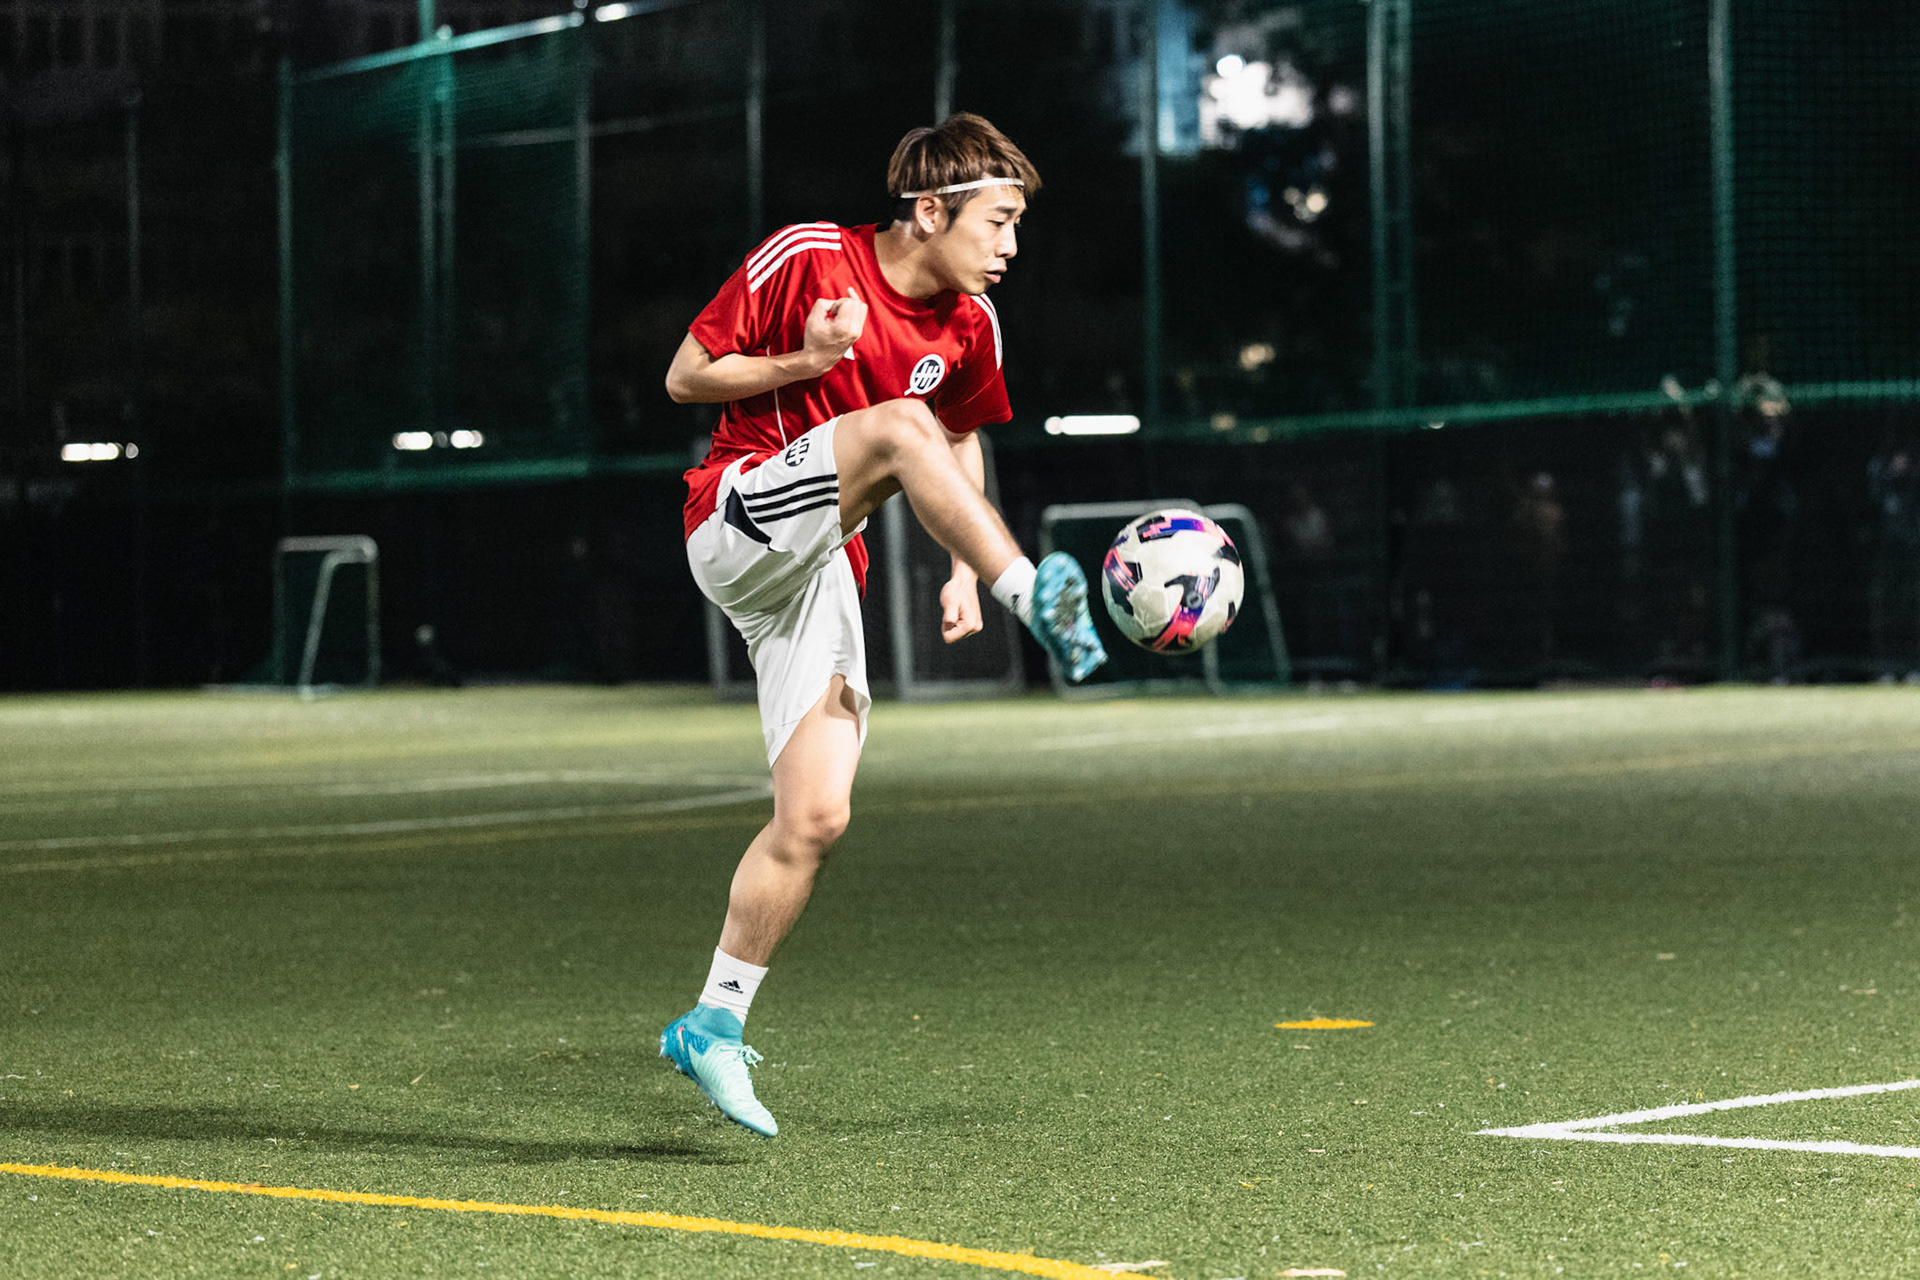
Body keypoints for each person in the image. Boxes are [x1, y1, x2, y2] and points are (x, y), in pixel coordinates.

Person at [656, 114, 1107, 1137]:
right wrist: (799, 360)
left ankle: (711, 1023)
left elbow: (958, 439)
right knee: (898, 426)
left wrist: (959, 559)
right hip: (734, 512)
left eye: (1018, 224)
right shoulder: (813, 259)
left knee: (816, 817)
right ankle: (1032, 594)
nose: (1011, 246)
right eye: (998, 221)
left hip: (819, 568)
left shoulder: (973, 328)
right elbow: (685, 375)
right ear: (930, 210)